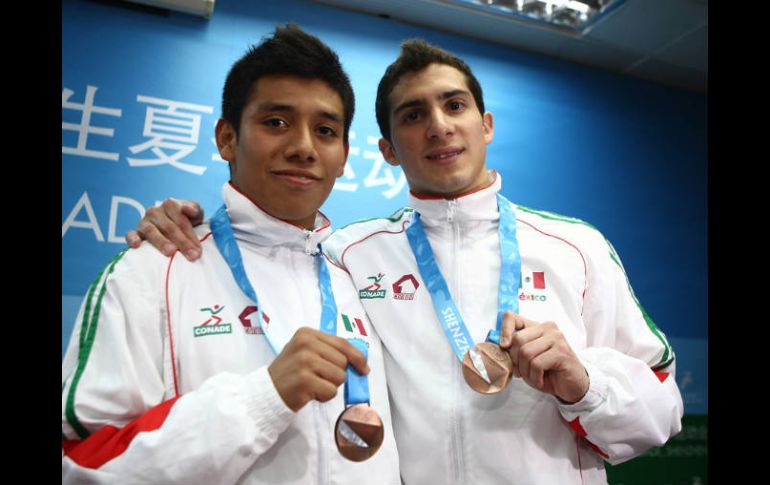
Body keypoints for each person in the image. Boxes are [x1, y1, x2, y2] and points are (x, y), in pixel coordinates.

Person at [128, 39, 684, 484]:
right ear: (389, 149)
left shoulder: (575, 247)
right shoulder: (345, 253)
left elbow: (661, 412)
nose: (439, 126)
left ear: (485, 125)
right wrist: (178, 219)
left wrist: (583, 384)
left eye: (454, 105)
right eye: (414, 114)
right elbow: (268, 243)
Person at [61, 24, 400, 485]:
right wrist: (263, 398)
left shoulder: (363, 276)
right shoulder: (150, 271)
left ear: (342, 156)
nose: (302, 147)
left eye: (324, 130)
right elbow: (79, 460)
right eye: (275, 122)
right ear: (226, 138)